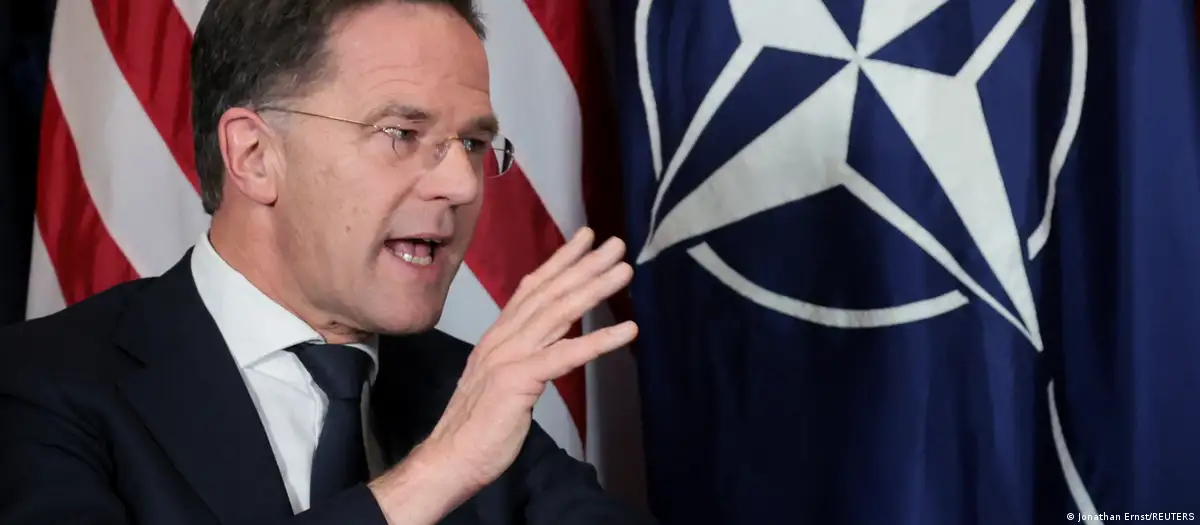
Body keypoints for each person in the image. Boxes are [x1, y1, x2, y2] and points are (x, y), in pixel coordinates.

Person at [0, 1, 656, 524]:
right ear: (255, 156)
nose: (462, 184)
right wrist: (438, 471)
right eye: (402, 133)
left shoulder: (466, 387)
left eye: (475, 142)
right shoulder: (38, 384)